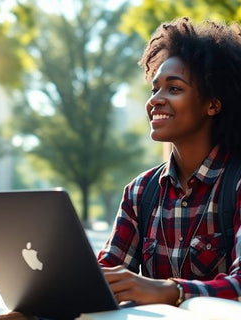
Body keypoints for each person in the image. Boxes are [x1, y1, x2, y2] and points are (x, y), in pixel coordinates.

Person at [97, 17, 241, 307]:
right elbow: (106, 274)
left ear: (212, 104)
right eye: (154, 89)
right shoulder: (139, 191)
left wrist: (168, 291)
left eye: (174, 88)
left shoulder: (236, 183)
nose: (155, 101)